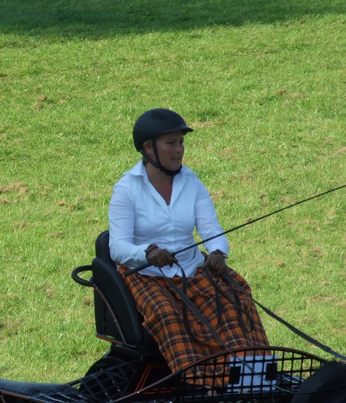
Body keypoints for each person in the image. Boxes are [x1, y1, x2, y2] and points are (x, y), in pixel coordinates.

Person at [108, 108, 269, 380]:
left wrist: (217, 252)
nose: (179, 149)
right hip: (147, 275)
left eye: (181, 142)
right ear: (148, 148)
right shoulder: (126, 189)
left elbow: (211, 229)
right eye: (171, 143)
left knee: (234, 299)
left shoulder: (192, 183)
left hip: (193, 270)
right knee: (167, 314)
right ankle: (202, 383)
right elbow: (117, 247)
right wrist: (148, 254)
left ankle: (253, 377)